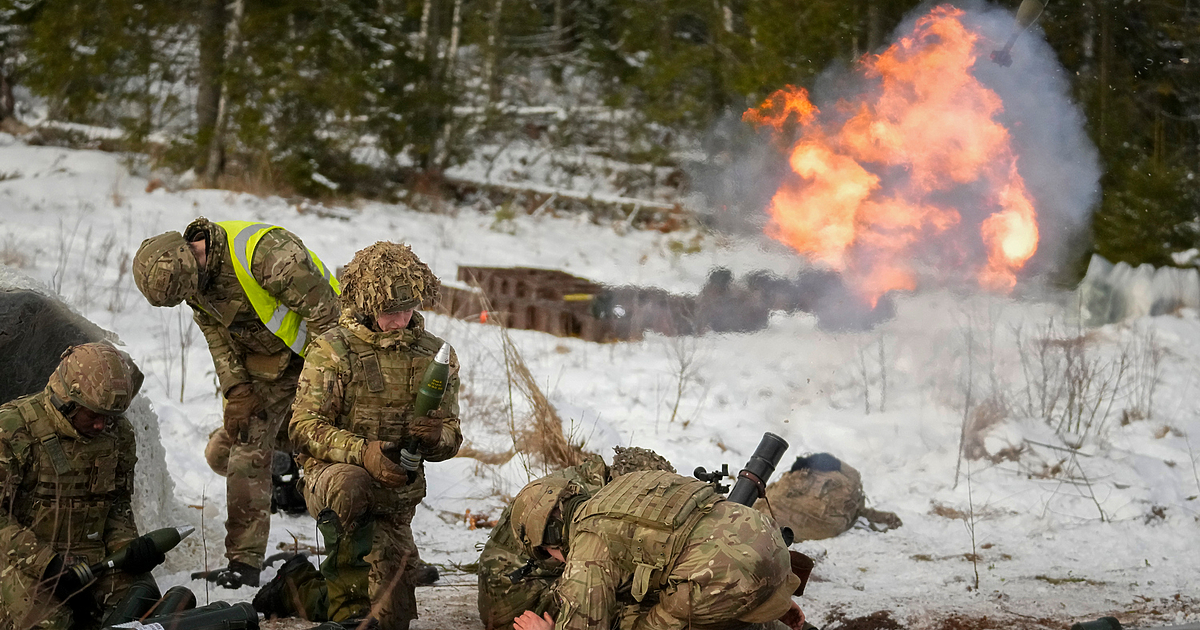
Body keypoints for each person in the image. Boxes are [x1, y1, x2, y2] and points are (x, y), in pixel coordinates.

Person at [132, 217, 341, 588]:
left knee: (344, 452)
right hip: (272, 369)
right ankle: (244, 564)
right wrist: (236, 389)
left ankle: (387, 560)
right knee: (237, 449)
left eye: (186, 293)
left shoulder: (265, 253)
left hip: (326, 359)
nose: (189, 300)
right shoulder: (193, 279)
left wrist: (324, 386)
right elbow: (216, 333)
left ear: (193, 258)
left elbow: (329, 317)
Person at [289, 241, 463, 630]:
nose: (400, 320)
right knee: (353, 486)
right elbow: (302, 428)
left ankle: (294, 588)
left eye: (408, 309)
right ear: (367, 307)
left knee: (390, 618)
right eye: (389, 312)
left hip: (396, 498)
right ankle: (343, 609)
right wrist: (362, 452)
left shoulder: (435, 355)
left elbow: (453, 435)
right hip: (336, 483)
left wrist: (437, 438)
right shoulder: (333, 350)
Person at [508, 470, 805, 630]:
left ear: (548, 540)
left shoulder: (587, 549)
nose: (557, 561)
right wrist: (772, 590)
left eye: (549, 554)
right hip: (766, 542)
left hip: (726, 578)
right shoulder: (622, 489)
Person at [0, 342, 165, 629]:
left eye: (110, 416)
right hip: (22, 561)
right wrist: (48, 564)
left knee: (145, 606)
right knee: (51, 623)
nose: (102, 425)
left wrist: (128, 548)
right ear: (67, 401)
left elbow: (116, 504)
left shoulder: (118, 433)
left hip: (94, 562)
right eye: (93, 415)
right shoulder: (13, 429)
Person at [477, 447, 676, 630]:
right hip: (517, 597)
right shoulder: (598, 503)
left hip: (533, 574)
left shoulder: (596, 484)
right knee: (632, 609)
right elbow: (594, 570)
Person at [756, 453, 901, 542]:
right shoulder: (847, 479)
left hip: (814, 524)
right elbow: (857, 509)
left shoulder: (802, 478)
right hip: (835, 525)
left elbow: (766, 502)